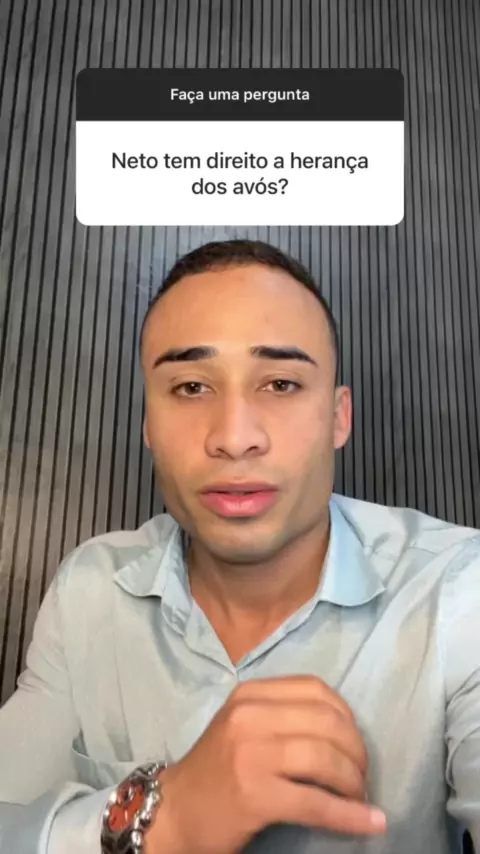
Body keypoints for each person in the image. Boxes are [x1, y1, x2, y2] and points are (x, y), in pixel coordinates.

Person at [0, 239, 479, 854]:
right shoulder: (91, 591)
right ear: (148, 424)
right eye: (190, 388)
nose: (233, 437)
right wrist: (163, 817)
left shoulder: (457, 588)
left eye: (280, 383)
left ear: (339, 417)